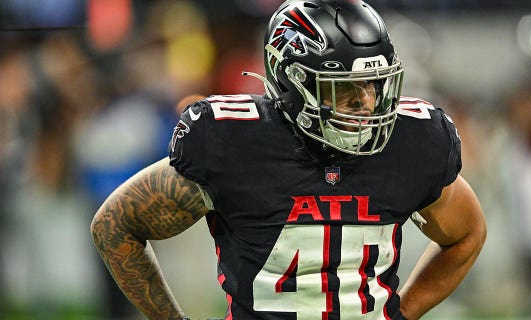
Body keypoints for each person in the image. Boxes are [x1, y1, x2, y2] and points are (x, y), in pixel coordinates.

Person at [90, 1, 487, 319]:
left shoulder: (411, 141)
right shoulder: (235, 142)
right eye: (344, 89)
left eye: (373, 84)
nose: (366, 105)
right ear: (294, 84)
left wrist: (405, 309)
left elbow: (467, 233)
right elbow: (115, 224)